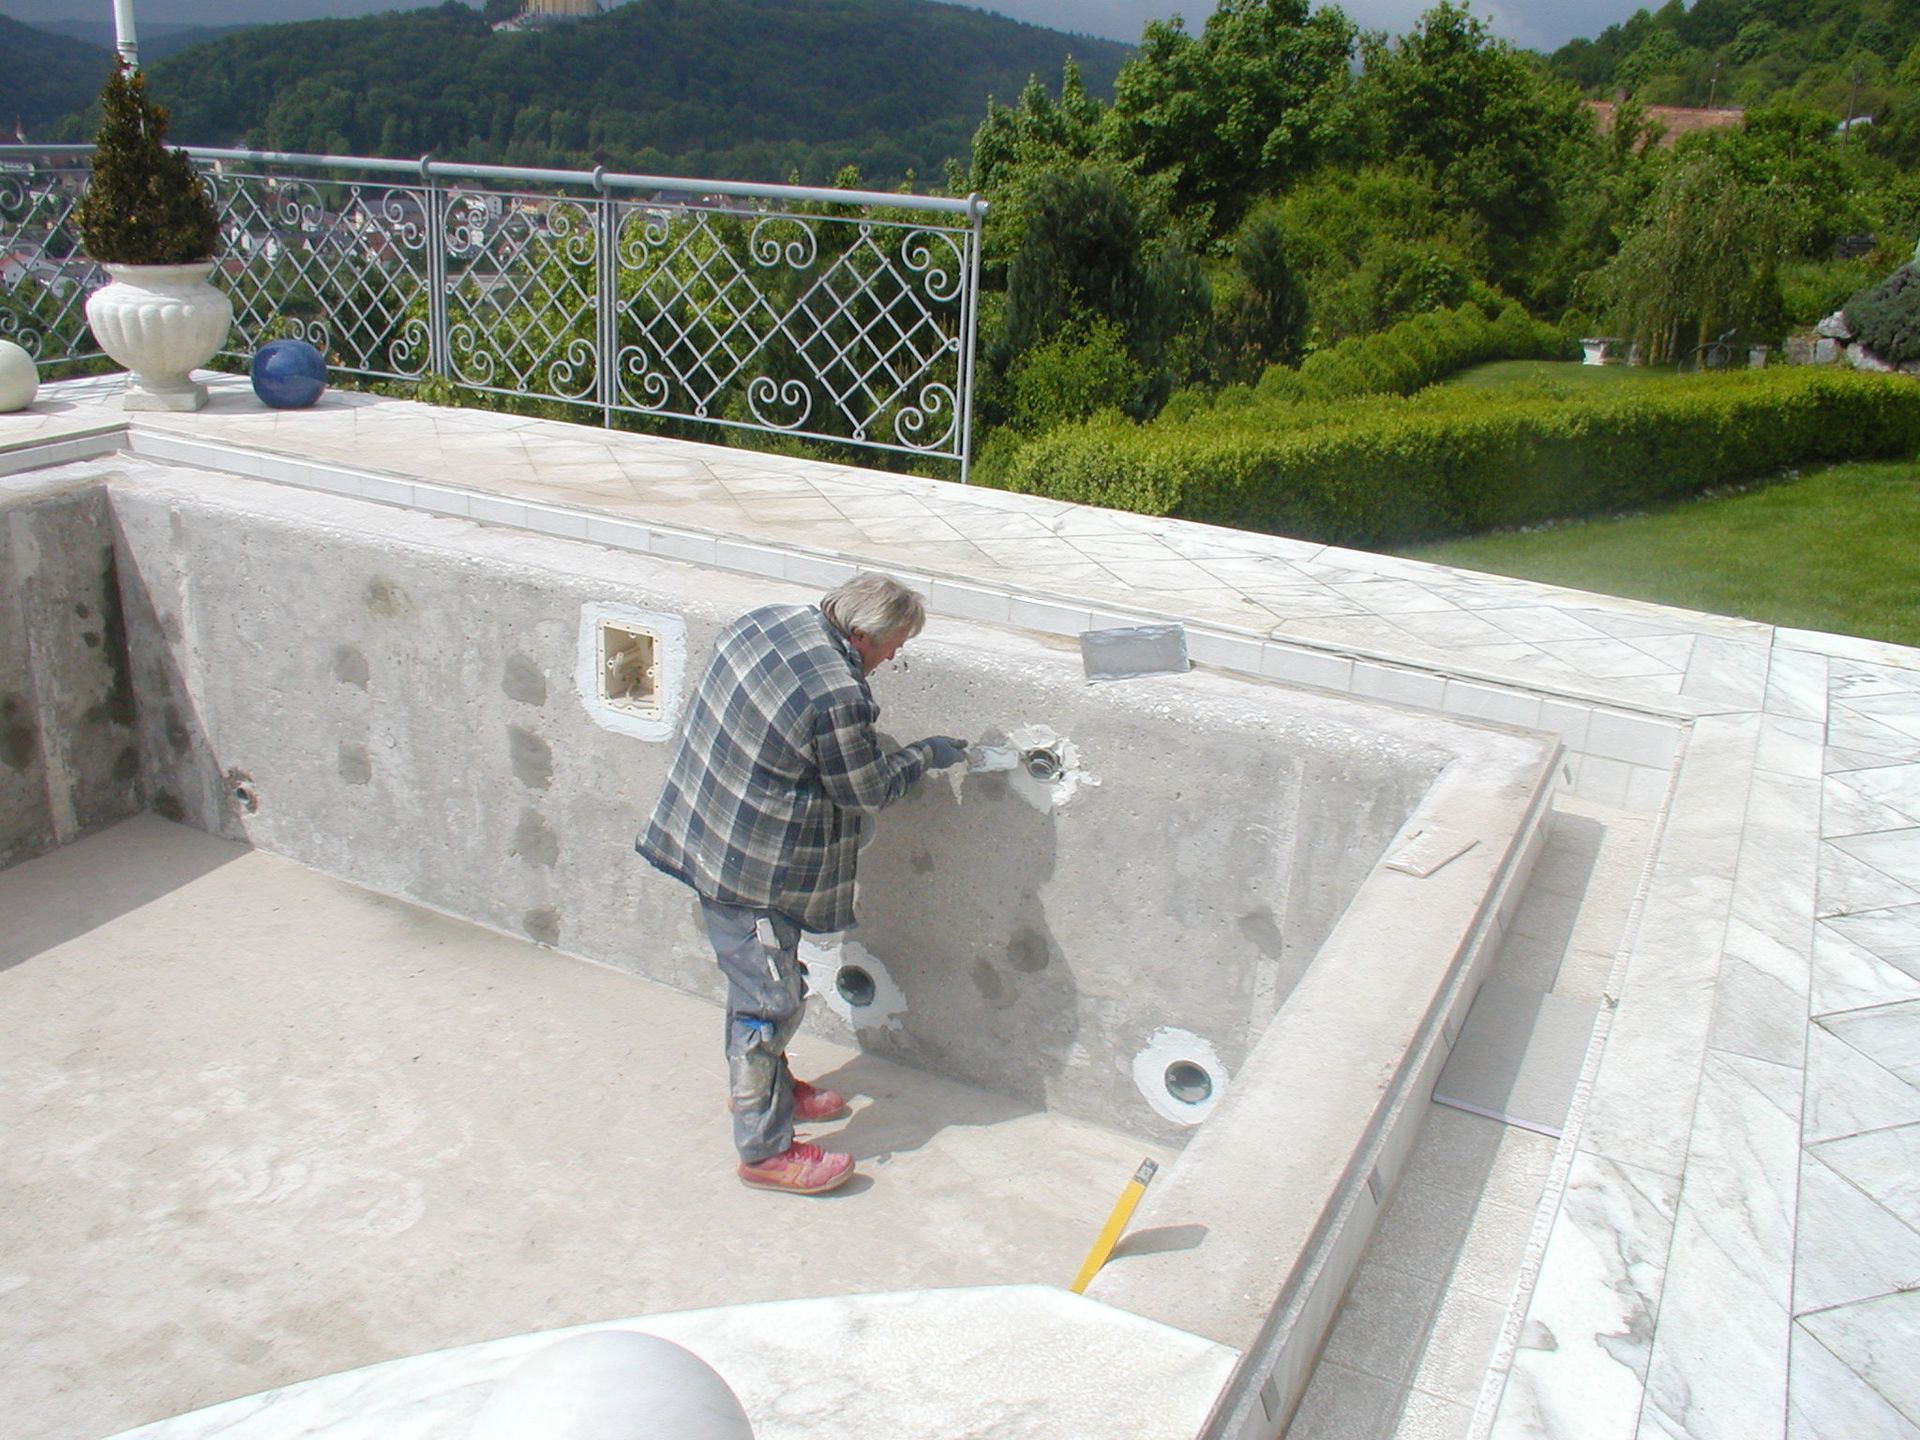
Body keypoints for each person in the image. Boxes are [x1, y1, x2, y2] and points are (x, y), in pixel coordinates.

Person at [638, 574, 968, 1195]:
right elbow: (865, 788)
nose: (894, 656)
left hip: (708, 827)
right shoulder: (838, 694)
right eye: (894, 644)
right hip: (752, 870)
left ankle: (772, 1090)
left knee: (768, 981)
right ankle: (764, 1151)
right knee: (767, 1002)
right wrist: (926, 755)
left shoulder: (767, 620)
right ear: (862, 634)